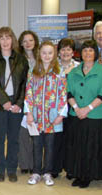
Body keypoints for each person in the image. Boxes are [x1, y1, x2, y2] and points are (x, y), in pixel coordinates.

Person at [65, 40, 102, 188]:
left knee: (90, 146)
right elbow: (69, 92)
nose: (87, 53)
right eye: (85, 51)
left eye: (91, 50)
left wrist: (87, 109)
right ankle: (77, 173)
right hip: (76, 113)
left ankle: (88, 175)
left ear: (95, 53)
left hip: (94, 115)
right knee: (77, 145)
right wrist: (77, 109)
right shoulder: (74, 71)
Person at [0, 27, 29, 182]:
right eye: (2, 38)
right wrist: (4, 101)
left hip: (16, 104)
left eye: (8, 37)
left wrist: (18, 103)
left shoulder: (21, 59)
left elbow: (24, 84)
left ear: (13, 40)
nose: (5, 41)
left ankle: (11, 169)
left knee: (13, 139)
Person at [24, 41, 67, 186]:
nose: (47, 56)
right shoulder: (33, 71)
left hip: (52, 117)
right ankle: (36, 172)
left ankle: (47, 172)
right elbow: (28, 93)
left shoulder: (59, 72)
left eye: (50, 53)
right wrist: (28, 113)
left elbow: (62, 94)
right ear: (39, 54)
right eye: (44, 53)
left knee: (50, 146)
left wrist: (61, 114)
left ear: (54, 54)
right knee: (36, 145)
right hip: (36, 116)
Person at [54, 38, 80, 179]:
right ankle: (55, 167)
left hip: (73, 106)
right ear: (58, 52)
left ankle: (70, 168)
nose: (66, 52)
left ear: (73, 51)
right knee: (57, 138)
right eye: (63, 49)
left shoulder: (79, 66)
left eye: (69, 49)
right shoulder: (52, 66)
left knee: (71, 138)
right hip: (56, 107)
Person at [16, 30, 39, 175]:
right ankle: (24, 164)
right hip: (23, 99)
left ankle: (35, 164)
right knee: (23, 133)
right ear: (21, 44)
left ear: (35, 42)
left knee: (36, 134)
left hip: (39, 101)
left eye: (30, 40)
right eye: (25, 41)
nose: (28, 43)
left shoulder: (42, 58)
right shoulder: (18, 59)